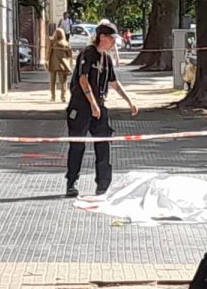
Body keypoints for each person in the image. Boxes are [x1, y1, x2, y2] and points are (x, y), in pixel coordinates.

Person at [65, 22, 139, 198]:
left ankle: (103, 184)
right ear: (103, 37)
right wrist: (92, 103)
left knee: (104, 142)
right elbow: (83, 79)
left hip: (99, 106)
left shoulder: (106, 58)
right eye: (112, 39)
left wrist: (129, 101)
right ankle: (72, 182)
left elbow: (113, 82)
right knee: (77, 144)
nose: (114, 43)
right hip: (81, 106)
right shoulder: (87, 54)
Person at [46, 28, 73, 103]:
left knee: (52, 81)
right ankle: (63, 97)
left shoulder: (52, 42)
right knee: (63, 82)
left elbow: (49, 52)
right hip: (62, 64)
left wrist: (46, 61)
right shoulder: (66, 43)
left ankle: (53, 97)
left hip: (52, 64)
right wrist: (70, 63)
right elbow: (70, 54)